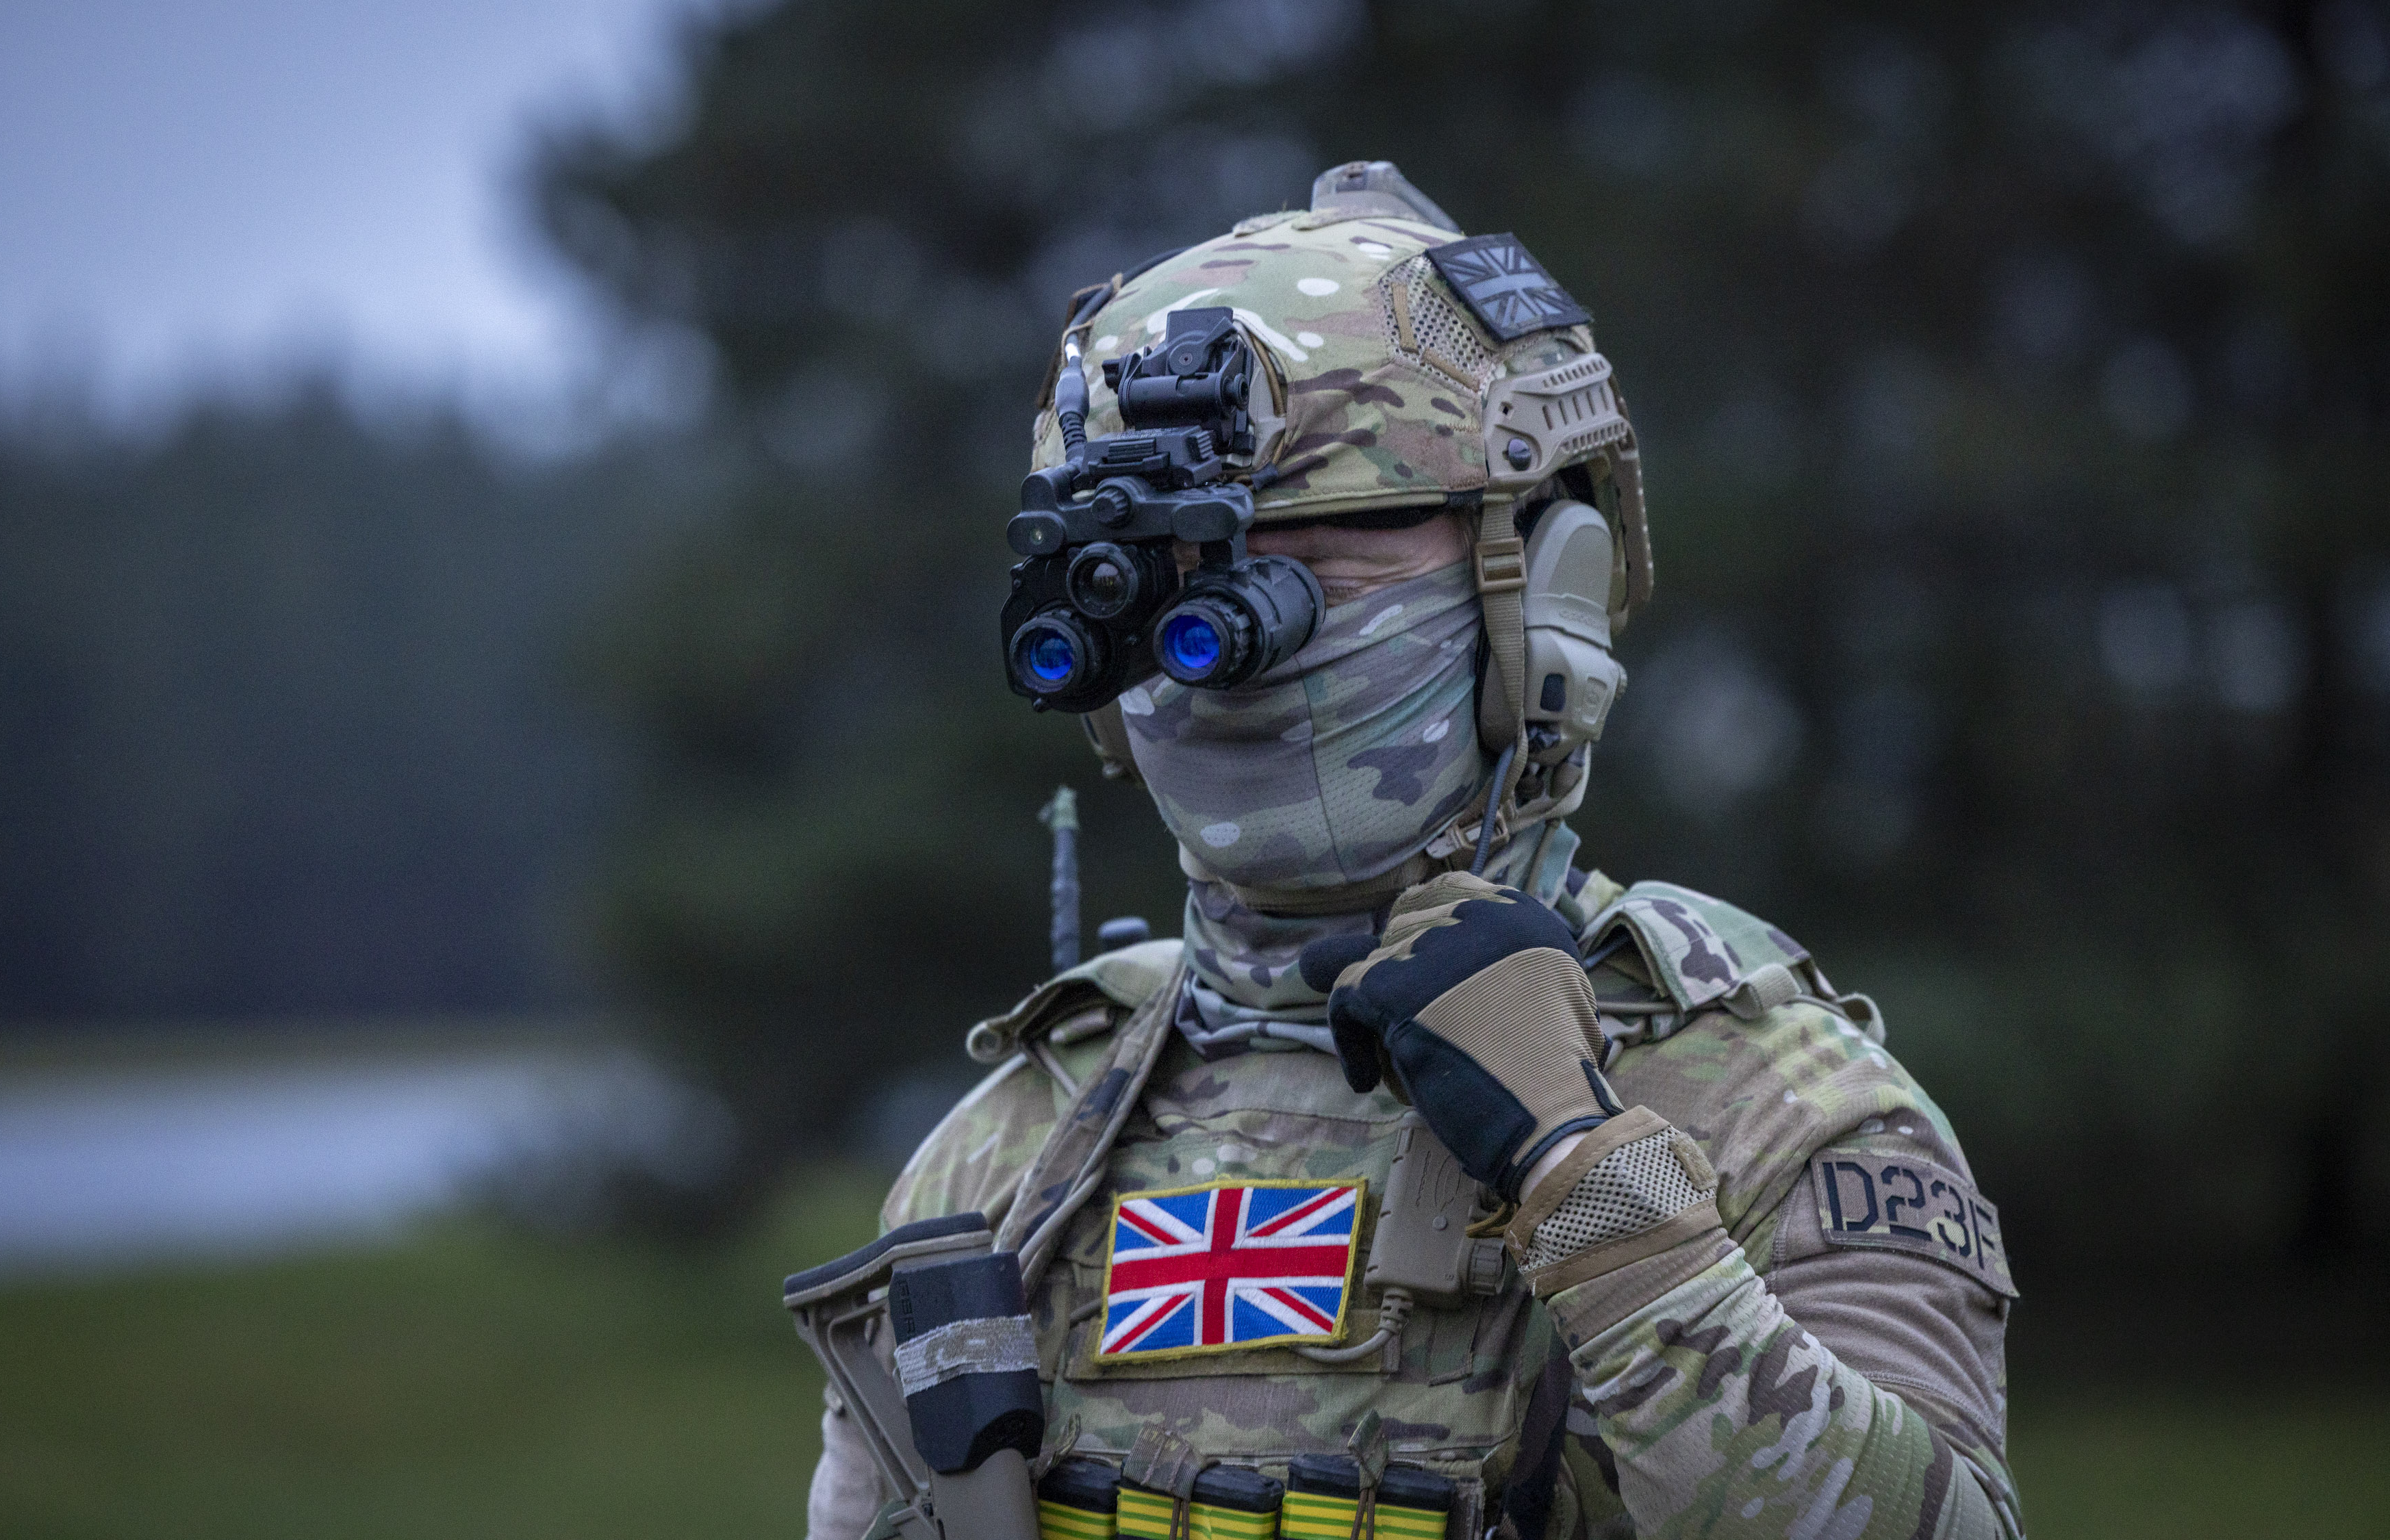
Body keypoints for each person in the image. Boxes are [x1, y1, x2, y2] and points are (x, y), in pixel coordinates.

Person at [803, 163, 2022, 1539]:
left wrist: (1585, 1172)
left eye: (1336, 542)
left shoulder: (1757, 1096)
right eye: (1173, 565)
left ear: (1546, 572)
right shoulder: (1017, 1146)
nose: (1248, 637)